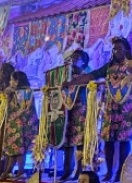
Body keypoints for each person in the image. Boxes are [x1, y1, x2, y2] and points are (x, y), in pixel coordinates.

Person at [70, 37, 132, 182]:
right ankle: (110, 171)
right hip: (110, 108)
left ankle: (120, 173)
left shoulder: (131, 67)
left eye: (119, 49)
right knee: (108, 141)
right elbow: (92, 75)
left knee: (124, 142)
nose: (116, 52)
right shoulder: (108, 66)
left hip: (127, 109)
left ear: (126, 50)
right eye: (114, 49)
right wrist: (72, 82)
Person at [59, 48, 91, 181]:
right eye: (72, 57)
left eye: (77, 58)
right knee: (67, 143)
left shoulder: (87, 75)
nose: (73, 60)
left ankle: (79, 171)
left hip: (81, 111)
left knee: (80, 143)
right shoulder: (66, 75)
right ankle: (67, 171)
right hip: (67, 111)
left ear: (83, 62)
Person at [3, 71, 38, 180]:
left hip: (21, 124)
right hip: (13, 124)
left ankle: (21, 172)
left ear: (17, 81)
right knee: (13, 149)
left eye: (12, 80)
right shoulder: (13, 92)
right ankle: (8, 171)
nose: (10, 82)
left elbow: (25, 109)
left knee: (19, 148)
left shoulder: (26, 91)